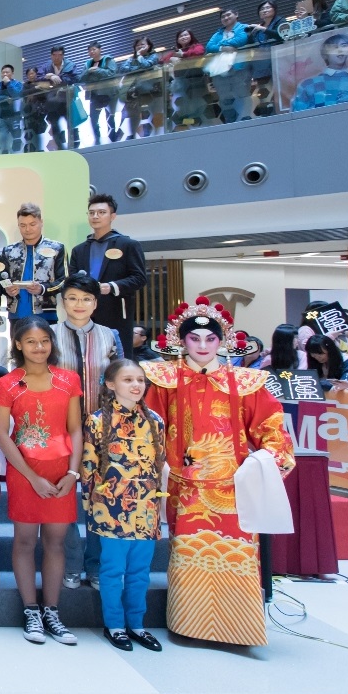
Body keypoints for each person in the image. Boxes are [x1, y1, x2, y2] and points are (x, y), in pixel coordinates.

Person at [142, 297, 295, 646]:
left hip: (233, 483)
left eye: (210, 339)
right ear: (182, 341)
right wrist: (160, 465)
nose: (202, 346)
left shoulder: (246, 381)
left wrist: (264, 460)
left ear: (222, 340)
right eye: (194, 339)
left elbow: (272, 428)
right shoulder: (164, 379)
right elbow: (151, 427)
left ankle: (237, 626)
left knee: (235, 554)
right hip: (184, 484)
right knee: (188, 554)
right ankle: (188, 623)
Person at [0, 318, 83, 645]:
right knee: (25, 541)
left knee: (56, 542)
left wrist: (73, 474)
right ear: (18, 344)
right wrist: (31, 477)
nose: (39, 347)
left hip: (62, 472)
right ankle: (31, 610)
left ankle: (52, 612)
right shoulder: (6, 384)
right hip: (24, 472)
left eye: (44, 340)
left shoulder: (68, 380)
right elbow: (2, 434)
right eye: (31, 342)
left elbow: (75, 429)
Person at [82, 359, 167, 652]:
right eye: (128, 380)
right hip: (111, 508)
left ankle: (137, 624)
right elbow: (88, 465)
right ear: (110, 384)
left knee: (140, 571)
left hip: (145, 507)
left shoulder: (155, 420)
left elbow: (159, 464)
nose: (135, 386)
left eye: (140, 380)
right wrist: (91, 504)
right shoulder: (97, 420)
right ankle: (115, 625)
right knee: (111, 569)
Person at [53, 272, 125, 588]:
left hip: (103, 431)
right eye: (72, 298)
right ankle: (71, 563)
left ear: (95, 303)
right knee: (65, 502)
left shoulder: (111, 336)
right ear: (62, 301)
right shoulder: (49, 334)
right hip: (61, 431)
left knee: (100, 500)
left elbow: (124, 381)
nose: (78, 305)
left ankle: (95, 566)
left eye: (85, 299)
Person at [70, 193, 146, 359]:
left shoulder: (128, 245)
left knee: (117, 361)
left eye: (101, 212)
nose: (95, 216)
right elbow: (72, 281)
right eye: (91, 212)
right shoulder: (79, 250)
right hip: (84, 315)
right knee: (85, 359)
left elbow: (139, 278)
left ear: (113, 216)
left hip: (116, 313)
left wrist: (111, 287)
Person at [0, 202, 67, 323]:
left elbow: (63, 280)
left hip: (46, 313)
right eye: (22, 225)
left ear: (41, 222)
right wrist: (7, 289)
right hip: (16, 314)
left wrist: (42, 289)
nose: (27, 229)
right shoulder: (9, 250)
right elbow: (1, 279)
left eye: (32, 224)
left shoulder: (57, 248)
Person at [290, 33, 348, 111]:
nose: (340, 50)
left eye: (344, 45)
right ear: (325, 54)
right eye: (334, 47)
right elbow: (297, 116)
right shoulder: (307, 85)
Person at [205, 9, 257, 124]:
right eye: (223, 17)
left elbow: (240, 40)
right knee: (225, 98)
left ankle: (245, 118)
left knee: (242, 94)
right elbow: (209, 46)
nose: (226, 18)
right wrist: (222, 48)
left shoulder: (244, 27)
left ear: (236, 15)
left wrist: (221, 45)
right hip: (220, 71)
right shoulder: (218, 33)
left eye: (228, 15)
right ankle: (230, 120)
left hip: (239, 68)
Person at [121, 37, 165, 138]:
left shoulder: (154, 56)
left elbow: (147, 65)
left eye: (142, 44)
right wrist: (137, 67)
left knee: (155, 113)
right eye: (138, 45)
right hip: (135, 91)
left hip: (153, 90)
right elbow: (123, 69)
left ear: (148, 46)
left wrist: (140, 58)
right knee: (135, 114)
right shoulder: (131, 58)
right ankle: (135, 135)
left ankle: (158, 134)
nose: (140, 47)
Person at [166, 29, 208, 130]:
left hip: (196, 80)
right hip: (181, 82)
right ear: (178, 40)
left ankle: (197, 123)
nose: (183, 37)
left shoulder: (197, 46)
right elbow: (162, 60)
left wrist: (183, 55)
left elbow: (199, 52)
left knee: (196, 103)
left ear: (191, 36)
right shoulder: (176, 52)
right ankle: (189, 123)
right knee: (184, 106)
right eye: (181, 36)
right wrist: (171, 58)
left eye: (186, 35)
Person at [81, 42, 121, 142]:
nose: (92, 52)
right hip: (94, 95)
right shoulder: (87, 64)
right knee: (93, 119)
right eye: (89, 50)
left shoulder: (108, 60)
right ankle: (97, 139)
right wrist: (88, 71)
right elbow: (81, 78)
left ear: (100, 49)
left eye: (94, 49)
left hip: (109, 93)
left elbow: (112, 72)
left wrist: (97, 70)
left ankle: (113, 139)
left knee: (110, 117)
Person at [41, 45, 78, 150]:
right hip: (51, 102)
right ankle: (60, 147)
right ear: (51, 55)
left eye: (59, 55)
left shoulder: (70, 65)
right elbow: (38, 78)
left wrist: (59, 78)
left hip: (66, 100)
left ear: (63, 55)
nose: (57, 57)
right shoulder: (46, 66)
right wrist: (49, 76)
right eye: (54, 55)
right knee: (55, 125)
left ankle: (75, 146)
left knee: (71, 123)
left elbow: (75, 78)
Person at [0, 64, 24, 154]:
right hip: (1, 116)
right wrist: (5, 98)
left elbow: (16, 95)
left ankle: (17, 155)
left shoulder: (18, 84)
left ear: (12, 73)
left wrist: (8, 83)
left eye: (7, 72)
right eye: (3, 72)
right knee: (2, 137)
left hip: (15, 115)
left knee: (16, 137)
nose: (5, 74)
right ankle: (4, 154)